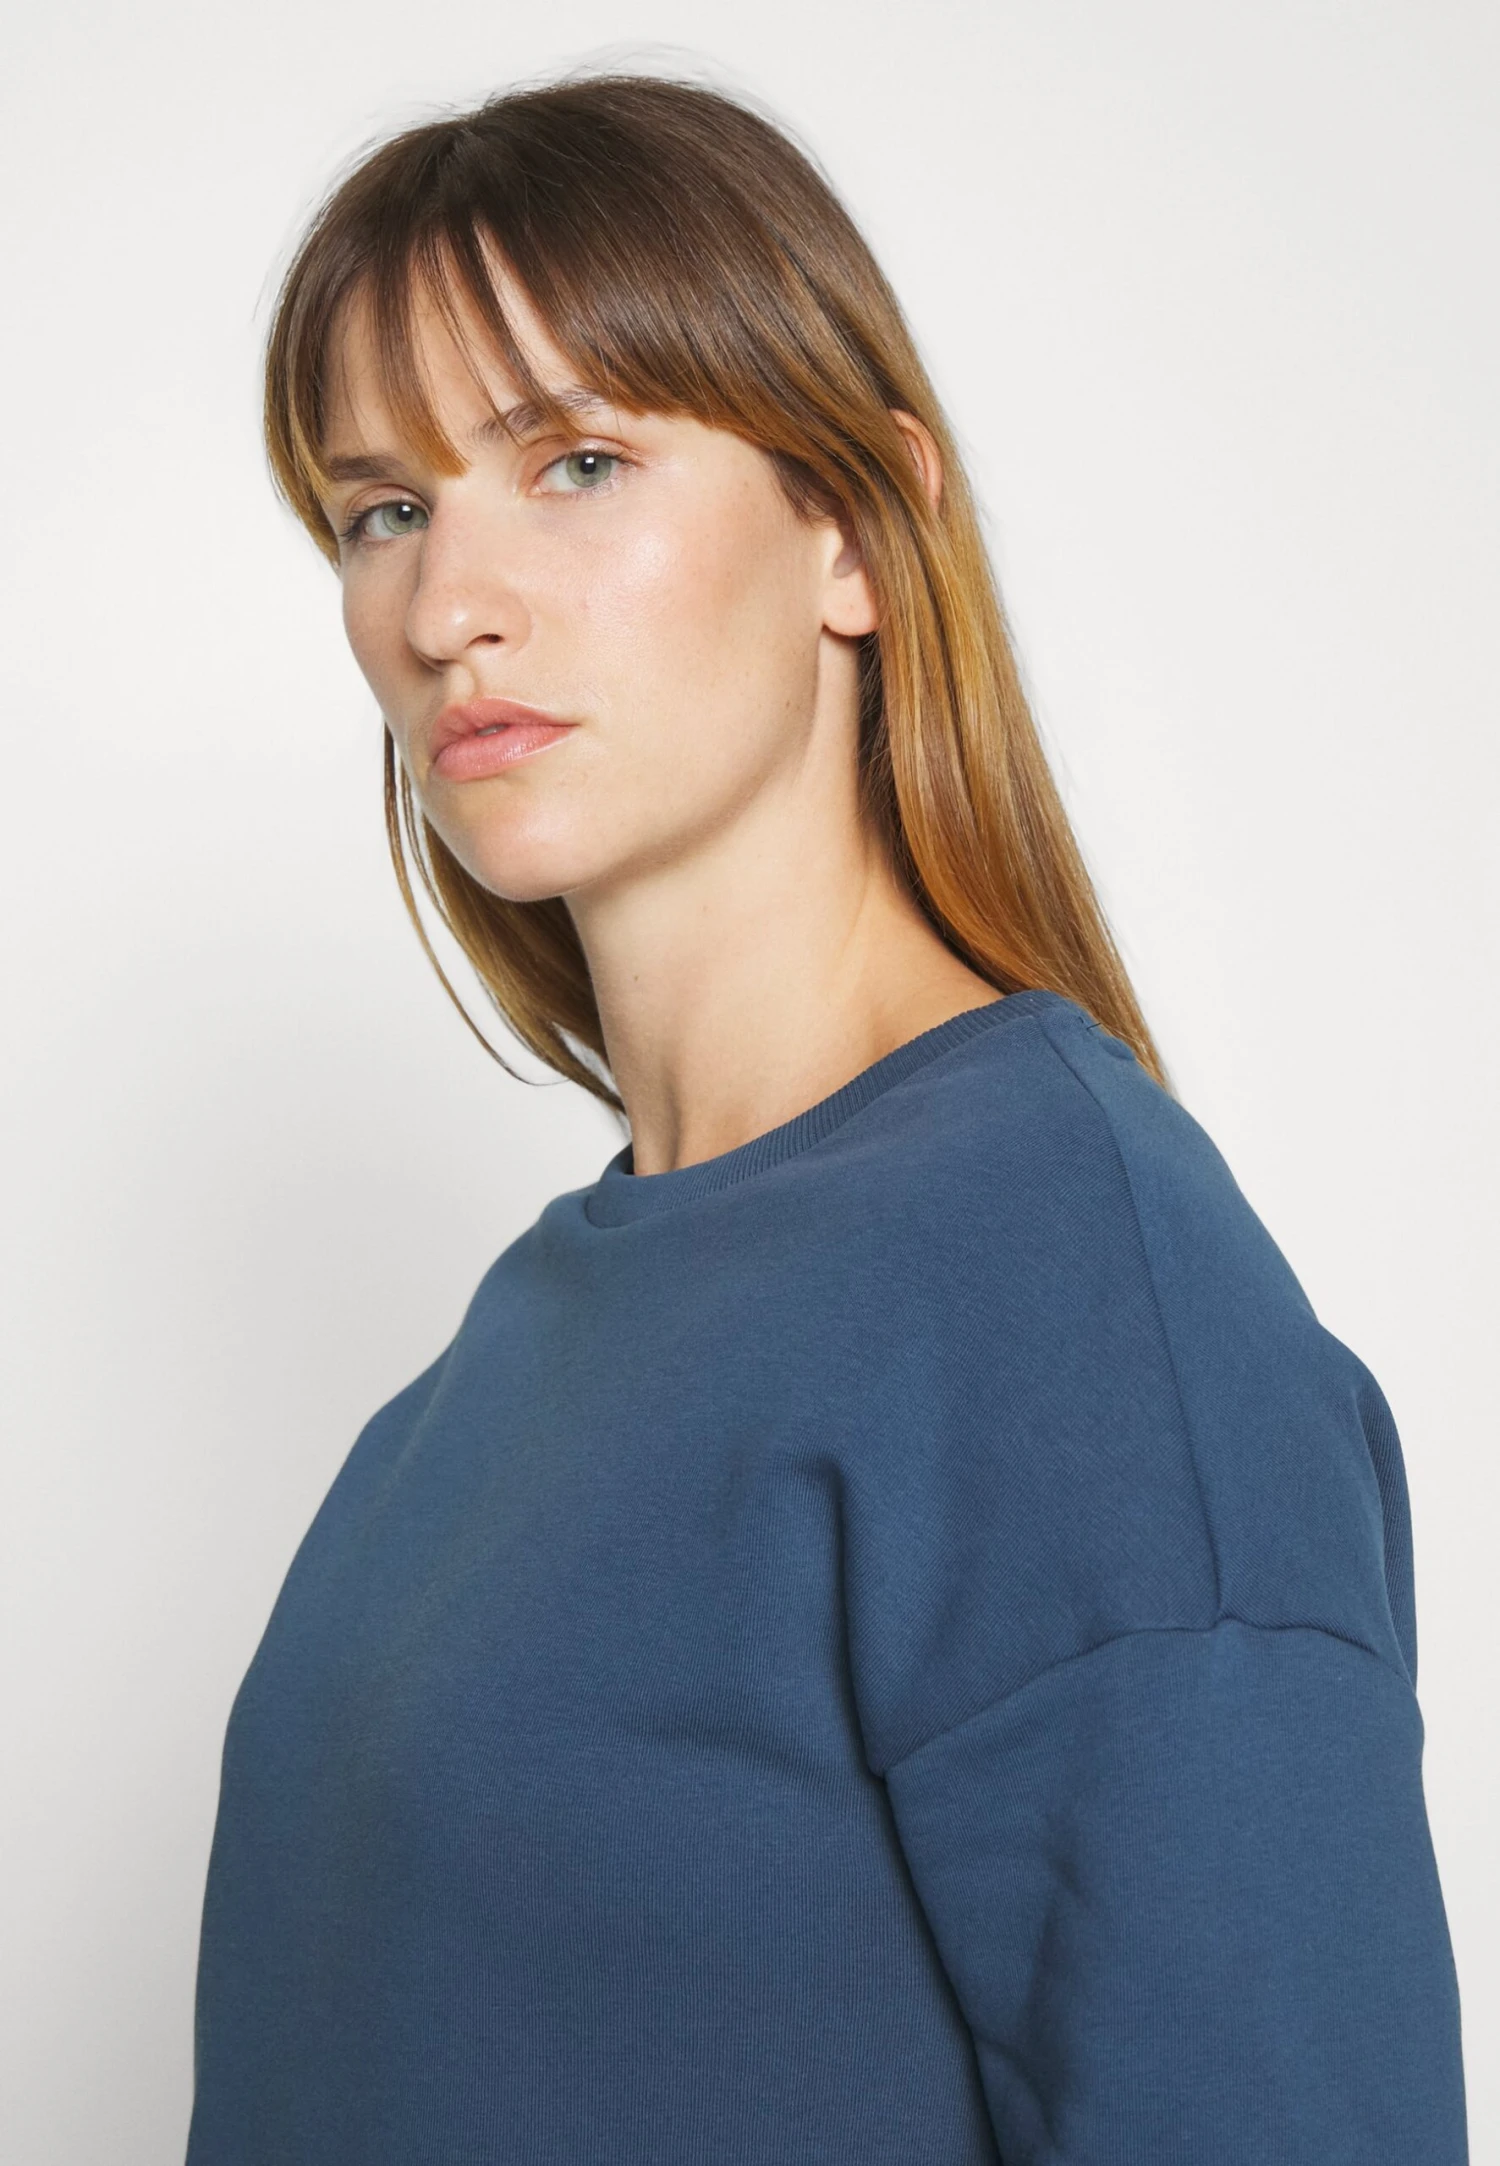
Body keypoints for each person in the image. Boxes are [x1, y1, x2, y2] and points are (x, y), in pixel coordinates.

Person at [185, 71, 1468, 2165]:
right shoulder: (511, 1360)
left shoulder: (1068, 1287)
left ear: (857, 531)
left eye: (577, 462)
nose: (444, 607)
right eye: (382, 509)